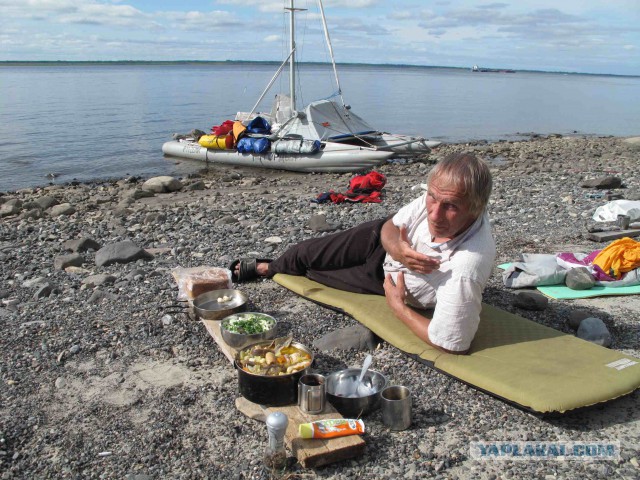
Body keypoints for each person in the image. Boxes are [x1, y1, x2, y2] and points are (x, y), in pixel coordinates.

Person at [232, 153, 495, 354]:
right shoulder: (440, 194)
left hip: (383, 281)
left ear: (476, 208)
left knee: (315, 273)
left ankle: (274, 268)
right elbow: (390, 226)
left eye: (450, 207)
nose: (434, 214)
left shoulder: (465, 266)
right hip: (379, 243)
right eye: (433, 199)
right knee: (307, 252)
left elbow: (452, 343)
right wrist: (399, 251)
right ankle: (269, 267)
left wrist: (397, 307)